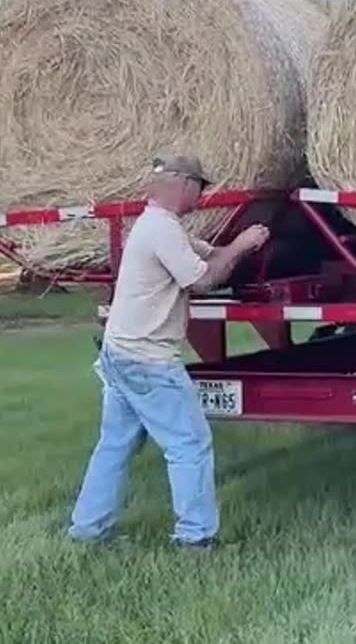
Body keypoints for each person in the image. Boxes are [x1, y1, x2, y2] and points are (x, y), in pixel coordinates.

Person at [67, 153, 268, 548]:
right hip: (148, 360)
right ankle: (196, 538)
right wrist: (242, 246)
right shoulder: (161, 230)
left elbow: (209, 255)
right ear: (186, 184)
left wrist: (235, 247)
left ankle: (88, 529)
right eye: (201, 188)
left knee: (115, 445)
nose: (202, 196)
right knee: (189, 443)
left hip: (121, 352)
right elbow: (203, 280)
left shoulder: (158, 226)